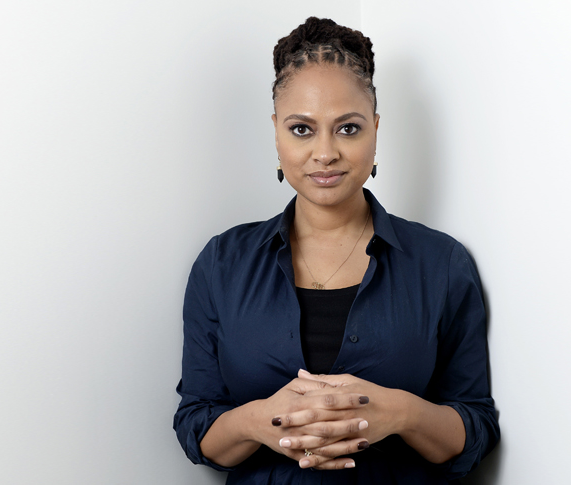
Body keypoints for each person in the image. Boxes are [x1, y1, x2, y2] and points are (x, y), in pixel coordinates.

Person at [174, 17, 499, 484]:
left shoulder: (441, 264)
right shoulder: (222, 265)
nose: (325, 152)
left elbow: (476, 427)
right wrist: (259, 422)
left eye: (347, 128)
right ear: (276, 132)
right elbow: (196, 425)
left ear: (375, 130)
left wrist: (401, 413)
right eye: (301, 129)